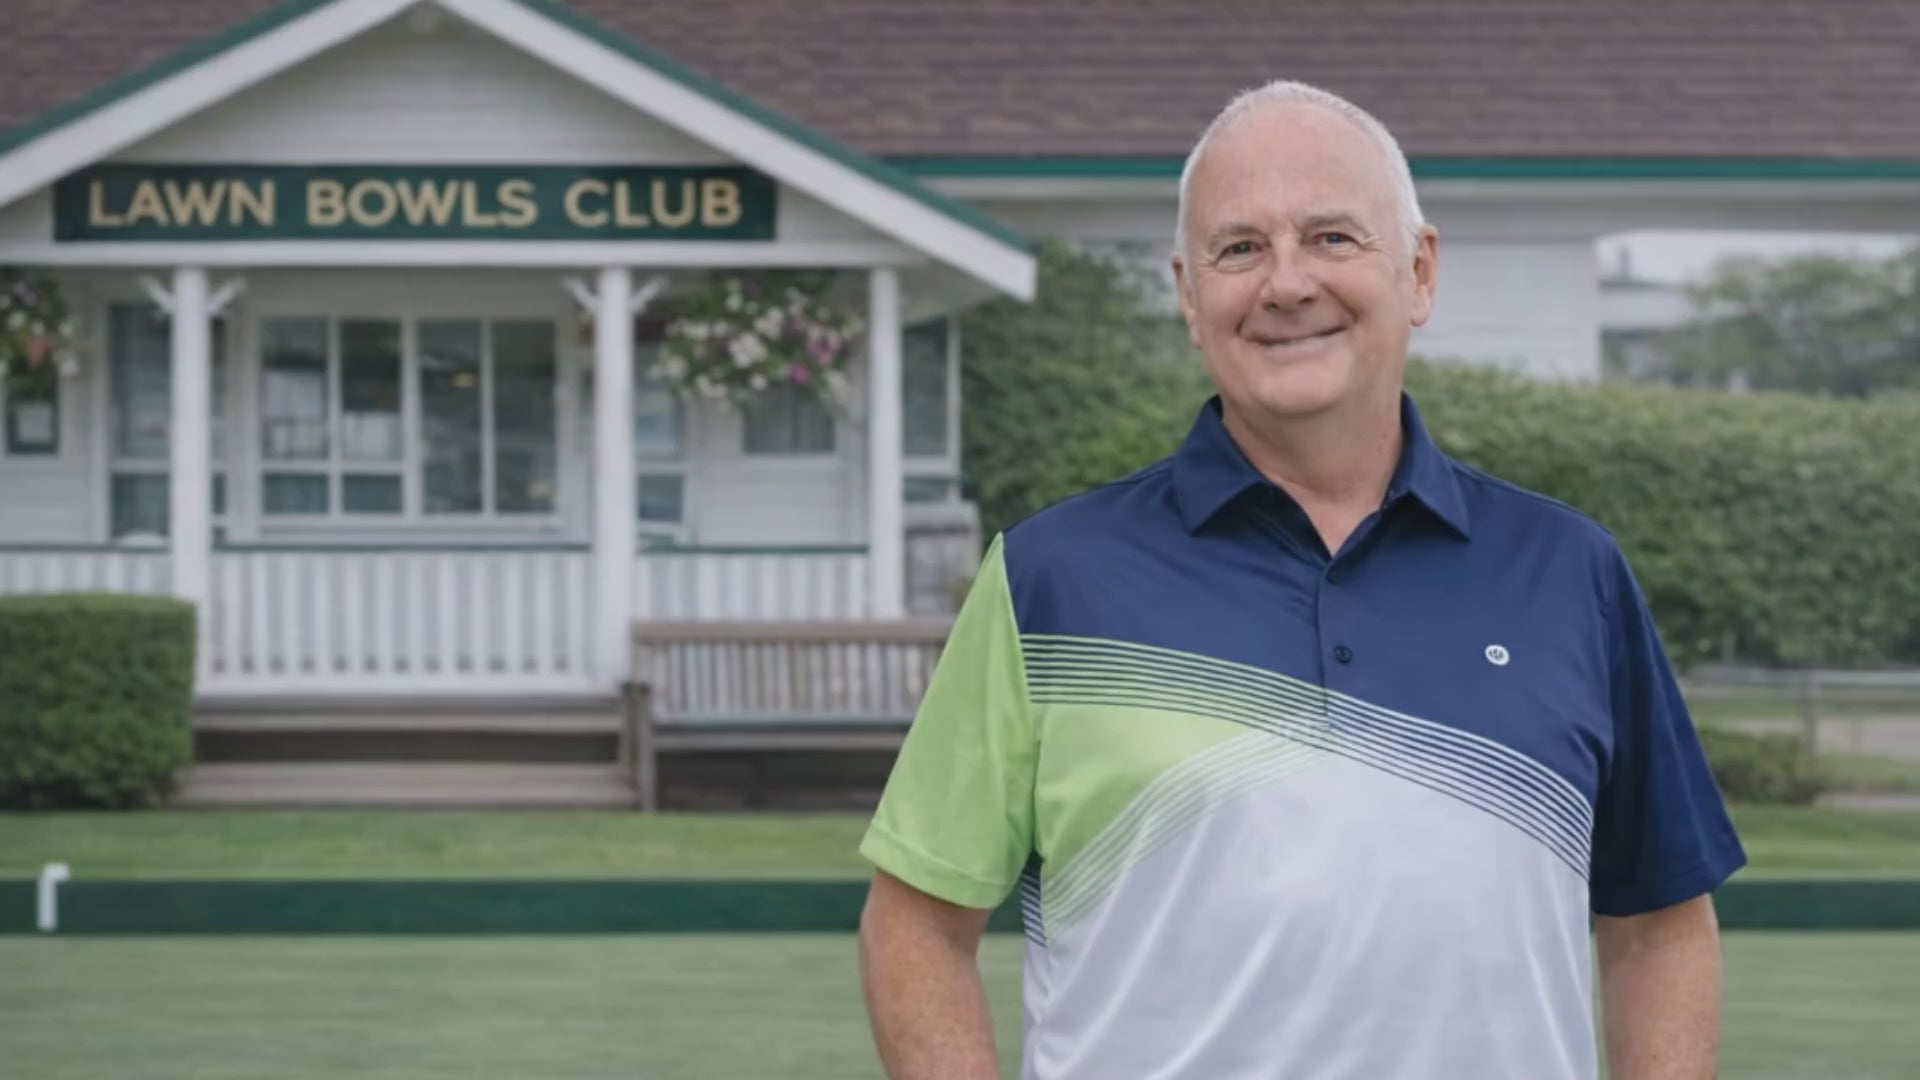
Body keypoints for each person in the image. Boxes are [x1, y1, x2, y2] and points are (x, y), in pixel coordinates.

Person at [856, 79, 1745, 1080]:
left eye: (1331, 237)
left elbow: (1659, 926)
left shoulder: (1569, 571)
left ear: (1418, 272)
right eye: (1240, 249)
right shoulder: (1048, 579)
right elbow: (915, 926)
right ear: (1189, 297)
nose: (1286, 283)